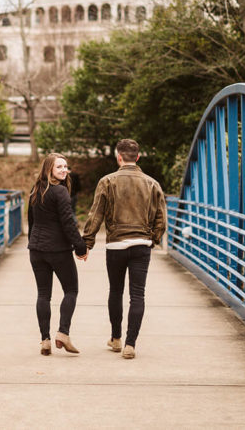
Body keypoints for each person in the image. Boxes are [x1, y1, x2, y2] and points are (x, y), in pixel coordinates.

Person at [82, 138, 166, 359]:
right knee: (138, 294)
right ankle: (131, 344)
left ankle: (116, 338)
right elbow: (161, 218)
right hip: (141, 244)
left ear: (119, 157)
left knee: (116, 291)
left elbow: (96, 214)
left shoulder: (107, 181)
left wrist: (87, 242)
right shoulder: (152, 183)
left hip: (116, 245)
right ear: (137, 157)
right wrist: (152, 240)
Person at [27, 153, 88, 355]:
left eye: (65, 166)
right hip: (58, 250)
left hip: (36, 250)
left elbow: (31, 221)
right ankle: (63, 333)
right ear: (49, 169)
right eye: (59, 167)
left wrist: (33, 243)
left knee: (43, 294)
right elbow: (68, 223)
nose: (64, 170)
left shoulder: (35, 190)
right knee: (71, 290)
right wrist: (80, 247)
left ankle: (45, 340)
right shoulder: (60, 192)